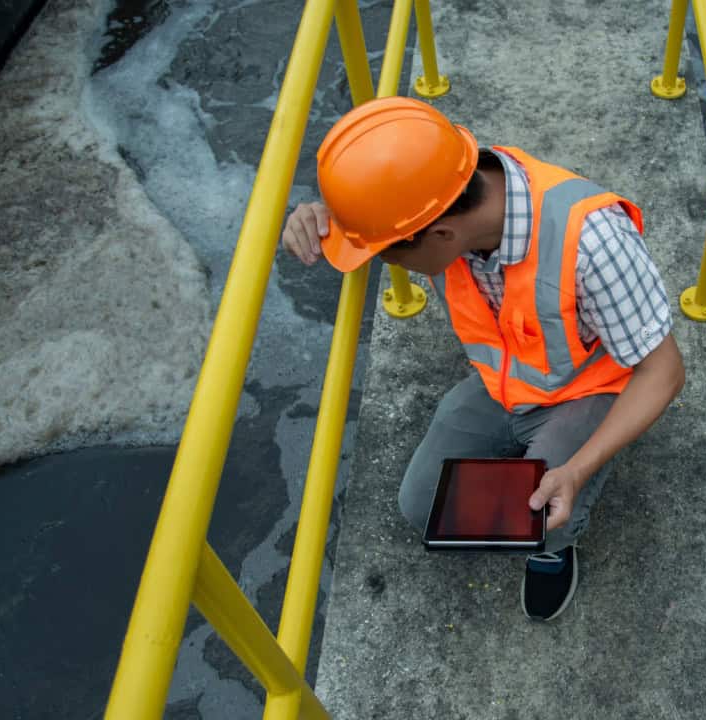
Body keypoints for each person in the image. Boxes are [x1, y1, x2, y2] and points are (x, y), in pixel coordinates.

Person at [281, 97, 684, 621]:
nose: (383, 264)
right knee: (422, 504)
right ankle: (538, 476)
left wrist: (578, 469)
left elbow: (665, 372)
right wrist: (321, 218)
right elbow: (385, 196)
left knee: (549, 515)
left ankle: (553, 553)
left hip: (593, 389)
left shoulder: (594, 241)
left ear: (442, 235)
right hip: (506, 383)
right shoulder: (439, 190)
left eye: (386, 255)